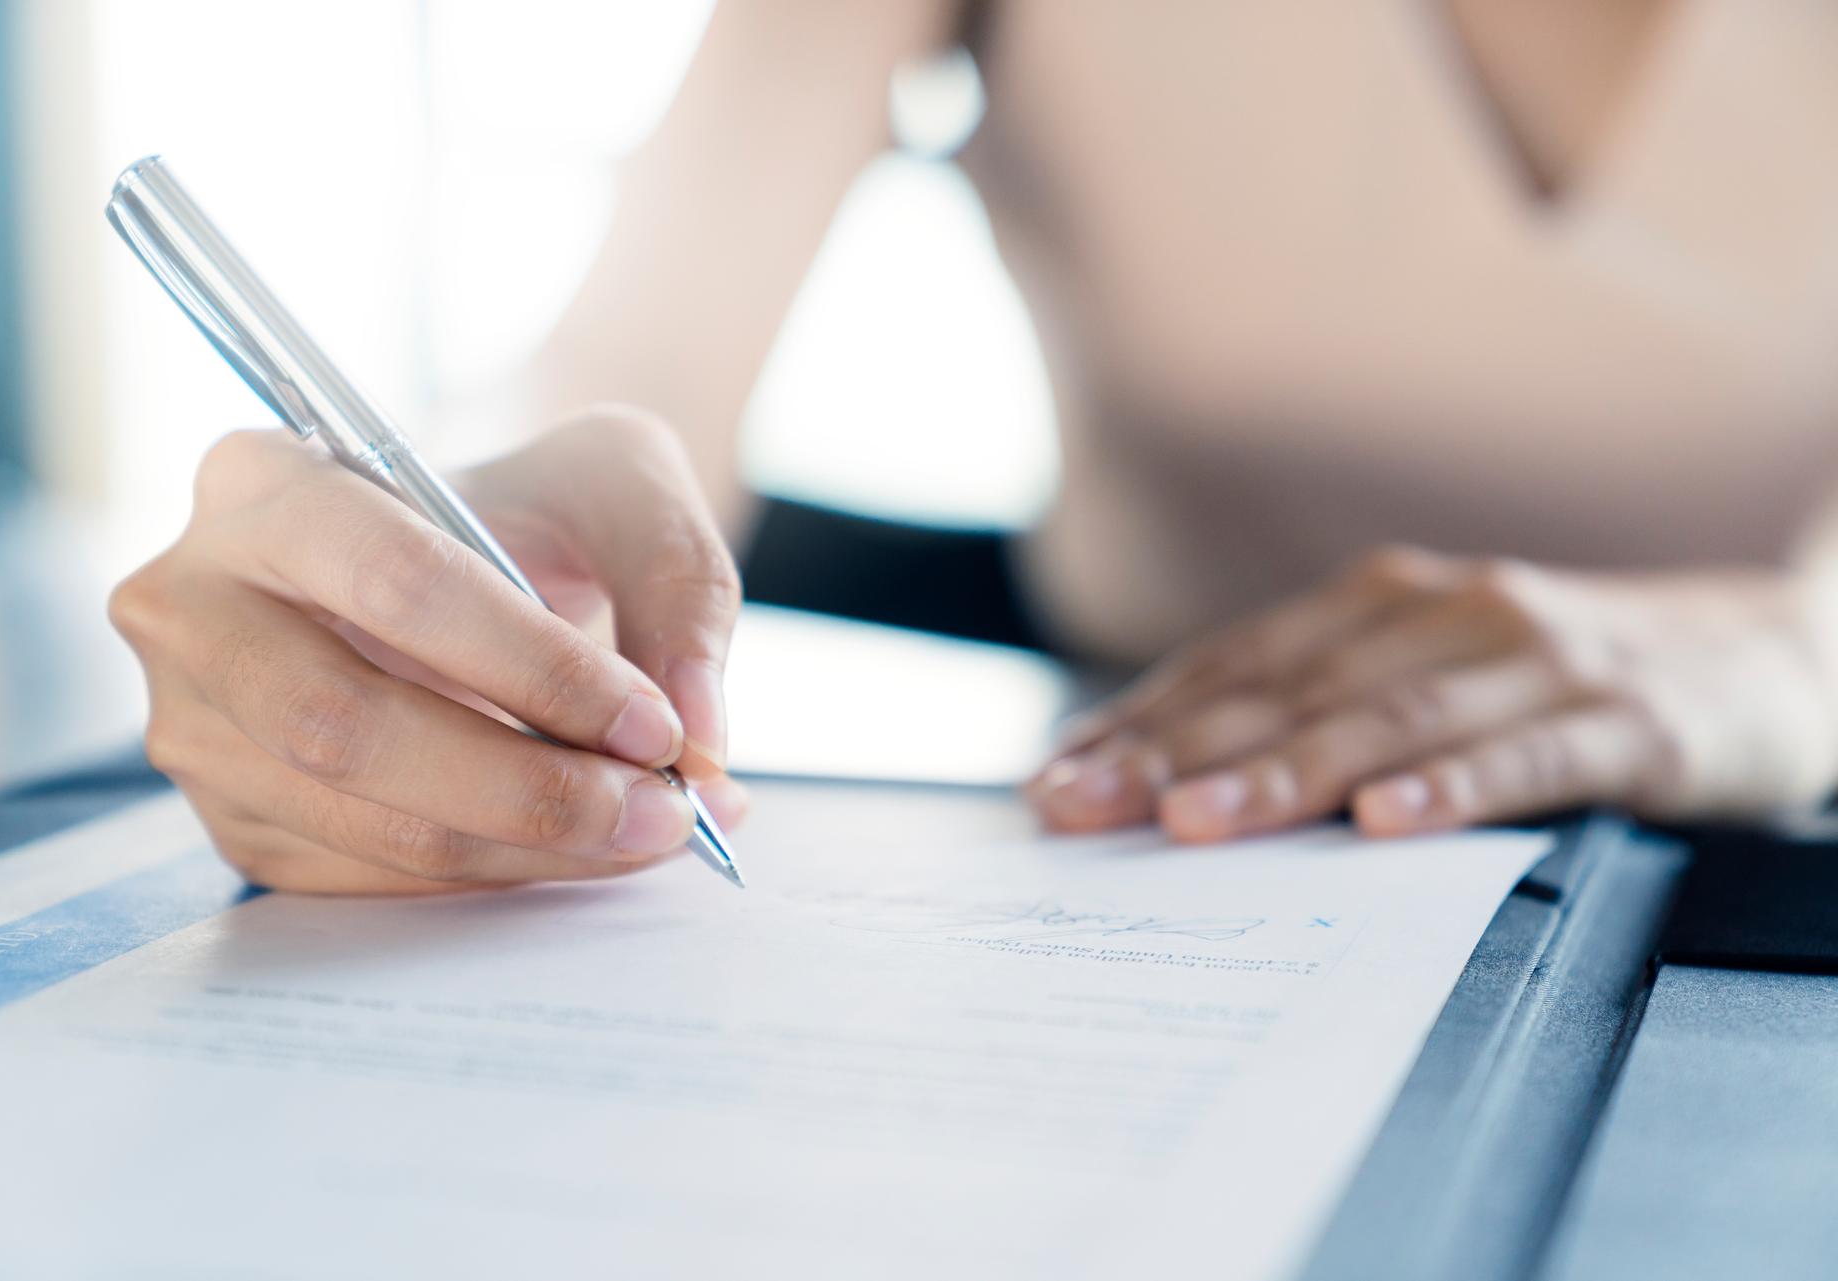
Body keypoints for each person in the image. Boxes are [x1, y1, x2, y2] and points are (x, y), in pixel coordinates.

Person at [109, 0, 1838, 893]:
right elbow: (617, 357)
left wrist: (1795, 650)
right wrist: (416, 560)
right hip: (1166, 847)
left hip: (1780, 859)